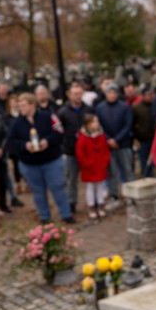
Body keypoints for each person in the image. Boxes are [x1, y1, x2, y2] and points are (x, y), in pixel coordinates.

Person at [6, 92, 73, 223]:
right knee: (38, 192)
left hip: (51, 161)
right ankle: (44, 217)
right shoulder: (17, 123)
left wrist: (47, 141)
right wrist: (25, 145)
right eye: (19, 106)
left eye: (23, 105)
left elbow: (59, 131)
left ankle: (66, 214)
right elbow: (11, 141)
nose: (21, 108)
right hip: (30, 164)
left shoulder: (48, 116)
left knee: (58, 188)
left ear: (32, 105)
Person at [96, 83, 134, 200]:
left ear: (117, 94)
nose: (112, 95)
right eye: (109, 93)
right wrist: (108, 139)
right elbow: (98, 126)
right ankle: (114, 195)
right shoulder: (100, 108)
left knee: (127, 170)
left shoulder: (124, 107)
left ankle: (131, 194)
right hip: (108, 146)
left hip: (123, 144)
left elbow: (128, 125)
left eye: (114, 93)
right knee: (112, 172)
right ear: (106, 94)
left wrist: (117, 139)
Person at [75, 112, 110, 219]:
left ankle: (100, 205)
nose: (97, 123)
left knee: (100, 186)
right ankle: (91, 207)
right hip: (89, 168)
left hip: (100, 166)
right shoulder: (83, 137)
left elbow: (105, 149)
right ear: (89, 124)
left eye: (97, 121)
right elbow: (80, 152)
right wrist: (87, 163)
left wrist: (105, 161)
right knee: (90, 187)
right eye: (95, 121)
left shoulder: (101, 135)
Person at [57, 83, 85, 213]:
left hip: (87, 151)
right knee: (71, 179)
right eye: (75, 94)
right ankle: (71, 202)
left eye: (79, 94)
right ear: (70, 95)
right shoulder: (63, 112)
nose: (78, 96)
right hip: (71, 151)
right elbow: (59, 130)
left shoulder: (88, 109)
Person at [131, 85, 156, 177]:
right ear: (144, 95)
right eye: (148, 94)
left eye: (152, 94)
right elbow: (132, 125)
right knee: (145, 163)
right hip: (143, 140)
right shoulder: (136, 108)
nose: (151, 96)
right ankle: (147, 178)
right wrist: (136, 138)